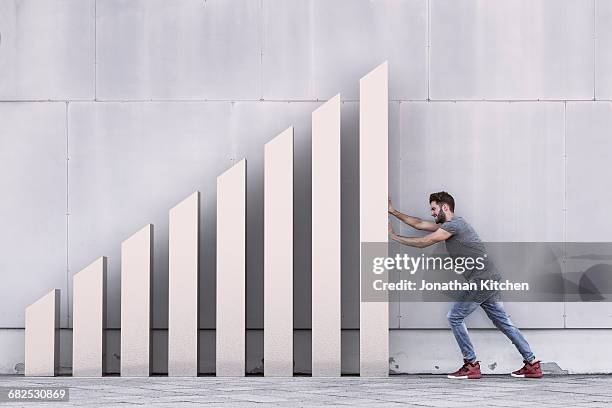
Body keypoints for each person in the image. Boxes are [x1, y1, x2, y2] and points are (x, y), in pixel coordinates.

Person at [388, 191, 543, 379]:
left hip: (482, 280)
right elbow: (419, 224)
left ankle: (471, 364)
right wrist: (393, 211)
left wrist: (394, 237)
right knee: (503, 323)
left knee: (454, 317)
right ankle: (532, 363)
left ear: (445, 207)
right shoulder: (449, 225)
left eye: (434, 209)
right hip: (488, 279)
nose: (432, 213)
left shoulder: (455, 225)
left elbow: (424, 242)